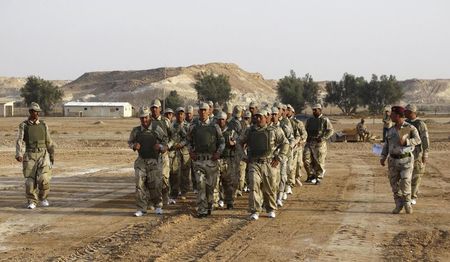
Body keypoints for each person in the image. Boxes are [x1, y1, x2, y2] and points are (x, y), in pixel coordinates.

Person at [240, 109, 289, 220]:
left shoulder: (275, 130)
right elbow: (240, 142)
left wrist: (279, 158)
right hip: (254, 163)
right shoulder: (249, 131)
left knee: (270, 188)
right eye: (256, 117)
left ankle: (271, 208)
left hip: (269, 164)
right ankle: (255, 210)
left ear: (267, 118)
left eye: (260, 117)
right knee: (254, 185)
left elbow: (285, 143)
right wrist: (243, 155)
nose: (257, 119)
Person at [128, 106, 168, 216]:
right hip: (141, 160)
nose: (144, 120)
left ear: (149, 117)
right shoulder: (136, 131)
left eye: (145, 117)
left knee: (155, 184)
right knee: (139, 184)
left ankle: (158, 206)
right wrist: (134, 146)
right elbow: (130, 142)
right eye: (142, 118)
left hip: (154, 160)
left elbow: (165, 142)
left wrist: (160, 146)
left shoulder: (156, 128)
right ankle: (141, 208)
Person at [380, 106, 421, 214]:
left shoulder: (410, 128)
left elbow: (418, 140)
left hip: (406, 160)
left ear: (398, 116)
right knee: (394, 184)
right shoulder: (391, 130)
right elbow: (386, 145)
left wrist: (407, 141)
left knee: (405, 181)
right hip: (393, 161)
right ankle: (398, 204)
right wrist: (383, 156)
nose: (391, 117)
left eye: (392, 115)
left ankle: (407, 203)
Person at [187, 102, 225, 217]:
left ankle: (209, 204)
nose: (203, 112)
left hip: (211, 161)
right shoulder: (194, 127)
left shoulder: (215, 127)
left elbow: (222, 142)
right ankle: (201, 209)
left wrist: (218, 153)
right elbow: (188, 141)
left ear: (209, 112)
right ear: (198, 112)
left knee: (210, 187)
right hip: (198, 161)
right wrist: (191, 151)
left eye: (205, 110)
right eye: (201, 110)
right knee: (200, 184)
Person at [15, 102, 55, 209]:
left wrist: (52, 154)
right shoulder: (24, 125)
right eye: (34, 111)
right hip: (30, 155)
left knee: (44, 179)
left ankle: (43, 198)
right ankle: (32, 201)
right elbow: (19, 140)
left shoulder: (43, 125)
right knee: (29, 181)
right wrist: (19, 153)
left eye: (38, 112)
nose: (37, 113)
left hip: (43, 154)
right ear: (30, 112)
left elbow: (49, 141)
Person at [150, 99, 174, 206]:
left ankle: (165, 198)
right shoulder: (147, 121)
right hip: (151, 155)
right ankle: (152, 200)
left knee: (164, 178)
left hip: (163, 155)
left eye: (156, 107)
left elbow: (174, 137)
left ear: (160, 109)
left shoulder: (166, 121)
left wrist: (167, 146)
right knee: (151, 178)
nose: (154, 109)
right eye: (152, 107)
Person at [405, 104, 430, 205]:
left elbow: (425, 139)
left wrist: (425, 154)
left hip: (417, 154)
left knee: (416, 175)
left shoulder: (420, 124)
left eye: (406, 111)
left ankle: (413, 196)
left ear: (412, 112)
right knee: (406, 176)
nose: (404, 113)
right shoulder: (405, 123)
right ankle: (407, 195)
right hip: (406, 153)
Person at [303, 104, 334, 185]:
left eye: (315, 110)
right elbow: (305, 130)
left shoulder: (324, 120)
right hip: (309, 142)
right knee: (306, 160)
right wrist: (306, 137)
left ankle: (318, 178)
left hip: (319, 144)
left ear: (320, 110)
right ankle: (311, 175)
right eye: (313, 110)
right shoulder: (310, 120)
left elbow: (330, 131)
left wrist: (323, 138)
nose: (314, 111)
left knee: (319, 162)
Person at [216, 111, 239, 209]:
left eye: (223, 119)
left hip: (227, 159)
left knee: (228, 182)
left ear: (226, 120)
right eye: (219, 119)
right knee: (216, 182)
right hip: (216, 159)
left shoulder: (231, 132)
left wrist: (233, 143)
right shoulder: (214, 131)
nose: (221, 121)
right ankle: (219, 199)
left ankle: (229, 201)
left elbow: (238, 143)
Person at [169, 107, 191, 201]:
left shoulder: (188, 126)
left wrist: (181, 144)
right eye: (178, 114)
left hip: (185, 152)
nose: (180, 115)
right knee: (174, 173)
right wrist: (174, 145)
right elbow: (170, 137)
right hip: (174, 152)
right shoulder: (172, 125)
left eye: (182, 114)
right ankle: (174, 192)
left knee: (185, 173)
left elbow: (189, 138)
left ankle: (184, 191)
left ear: (184, 115)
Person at [286, 104, 307, 187]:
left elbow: (304, 134)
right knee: (290, 165)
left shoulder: (297, 123)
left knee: (298, 164)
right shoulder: (282, 123)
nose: (287, 111)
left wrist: (299, 142)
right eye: (286, 110)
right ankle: (290, 182)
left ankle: (296, 177)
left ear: (293, 112)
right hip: (287, 147)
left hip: (297, 147)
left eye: (289, 110)